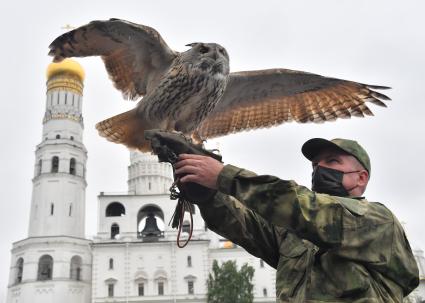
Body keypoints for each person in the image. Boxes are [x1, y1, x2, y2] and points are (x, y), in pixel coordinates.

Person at [174, 138, 419, 303]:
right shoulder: (295, 234)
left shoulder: (377, 221)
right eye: (315, 164)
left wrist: (224, 176)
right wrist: (205, 191)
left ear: (361, 178)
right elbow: (246, 226)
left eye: (332, 161)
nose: (319, 168)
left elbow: (303, 207)